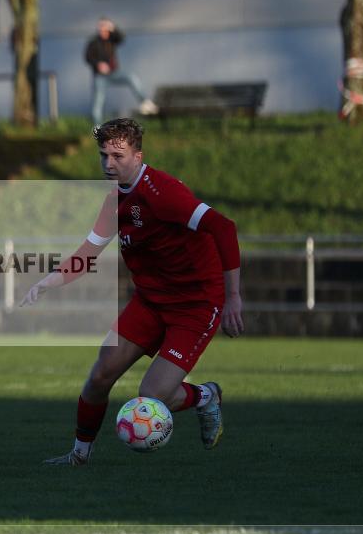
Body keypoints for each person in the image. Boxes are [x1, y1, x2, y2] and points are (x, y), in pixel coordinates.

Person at [21, 118, 243, 465]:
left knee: (153, 394)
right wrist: (47, 282)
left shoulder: (163, 193)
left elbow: (224, 228)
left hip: (195, 305)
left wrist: (233, 297)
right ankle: (79, 456)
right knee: (101, 374)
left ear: (138, 156)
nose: (109, 164)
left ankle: (205, 396)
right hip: (151, 302)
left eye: (118, 156)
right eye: (103, 155)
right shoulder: (115, 201)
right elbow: (88, 253)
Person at [85, 17, 158, 125]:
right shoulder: (93, 42)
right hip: (100, 76)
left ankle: (145, 102)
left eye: (104, 27)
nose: (102, 29)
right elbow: (88, 57)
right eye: (100, 27)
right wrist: (98, 64)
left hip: (114, 73)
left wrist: (113, 27)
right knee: (98, 102)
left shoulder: (111, 39)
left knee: (131, 77)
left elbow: (121, 38)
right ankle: (97, 127)